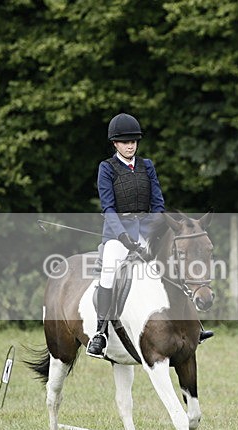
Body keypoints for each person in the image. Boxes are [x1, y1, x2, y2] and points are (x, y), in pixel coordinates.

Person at [86, 113, 165, 358]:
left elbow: (158, 204)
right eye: (124, 141)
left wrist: (152, 234)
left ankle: (191, 325)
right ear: (115, 144)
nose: (130, 145)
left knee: (171, 267)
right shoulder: (106, 168)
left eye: (133, 140)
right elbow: (108, 208)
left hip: (145, 234)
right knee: (109, 270)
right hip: (116, 236)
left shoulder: (147, 166)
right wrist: (122, 236)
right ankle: (100, 333)